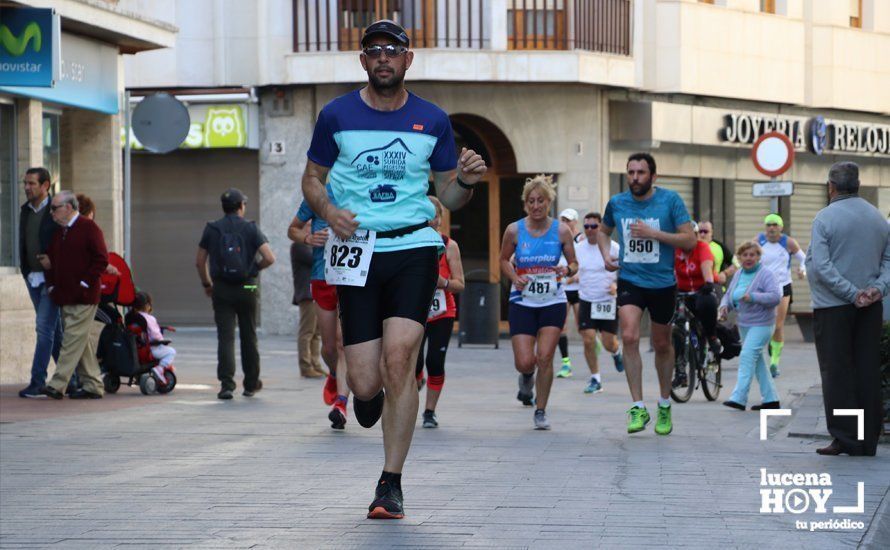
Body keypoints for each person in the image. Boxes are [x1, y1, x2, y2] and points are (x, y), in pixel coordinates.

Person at [300, 19, 485, 519]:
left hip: (414, 248)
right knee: (363, 381)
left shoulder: (433, 119)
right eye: (374, 50)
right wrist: (329, 211)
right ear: (363, 60)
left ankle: (390, 483)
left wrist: (465, 183)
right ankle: (367, 397)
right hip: (356, 250)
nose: (384, 58)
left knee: (401, 361)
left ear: (408, 60)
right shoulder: (336, 115)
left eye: (393, 50)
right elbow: (312, 178)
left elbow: (447, 194)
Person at [597, 152, 695, 436]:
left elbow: (689, 239)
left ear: (653, 176)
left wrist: (655, 234)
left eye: (640, 173)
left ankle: (664, 404)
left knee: (662, 344)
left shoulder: (670, 201)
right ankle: (638, 407)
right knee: (628, 336)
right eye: (631, 172)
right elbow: (604, 232)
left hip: (662, 282)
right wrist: (606, 254)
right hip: (630, 279)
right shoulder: (617, 203)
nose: (635, 178)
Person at [806, 161, 889, 457]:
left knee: (837, 372)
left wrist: (851, 293)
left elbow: (820, 266)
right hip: (871, 307)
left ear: (831, 186)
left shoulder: (824, 218)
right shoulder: (878, 217)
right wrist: (877, 289)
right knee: (866, 369)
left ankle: (845, 437)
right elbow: (888, 261)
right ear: (858, 185)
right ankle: (868, 439)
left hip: (834, 308)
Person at [500, 174, 577, 431]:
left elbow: (574, 264)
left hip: (552, 300)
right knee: (525, 361)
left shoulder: (562, 230)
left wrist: (566, 271)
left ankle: (541, 410)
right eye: (531, 201)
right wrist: (514, 276)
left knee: (545, 357)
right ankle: (525, 377)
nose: (536, 206)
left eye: (541, 201)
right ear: (525, 204)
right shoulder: (513, 230)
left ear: (549, 202)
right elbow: (502, 260)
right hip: (522, 300)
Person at [196, 188, 276, 400]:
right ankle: (250, 384)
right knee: (249, 335)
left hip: (221, 288)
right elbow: (269, 257)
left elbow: (199, 261)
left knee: (226, 337)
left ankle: (227, 385)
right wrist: (253, 270)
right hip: (248, 286)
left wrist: (207, 284)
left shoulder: (212, 229)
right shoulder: (250, 228)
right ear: (241, 206)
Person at [288, 184, 351, 430]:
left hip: (352, 277)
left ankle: (342, 404)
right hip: (322, 276)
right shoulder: (317, 196)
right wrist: (308, 238)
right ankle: (335, 375)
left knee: (342, 343)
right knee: (327, 349)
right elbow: (292, 229)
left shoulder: (361, 191)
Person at [40, 191, 109, 400]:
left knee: (71, 339)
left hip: (84, 296)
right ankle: (93, 385)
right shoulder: (60, 232)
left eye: (54, 208)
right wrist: (52, 286)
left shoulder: (89, 228)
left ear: (69, 208)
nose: (51, 213)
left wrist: (84, 283)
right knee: (80, 340)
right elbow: (50, 261)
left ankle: (57, 384)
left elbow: (101, 259)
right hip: (64, 295)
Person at [415, 197, 464, 428]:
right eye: (427, 215)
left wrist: (442, 282)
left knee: (435, 361)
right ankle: (417, 379)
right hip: (415, 311)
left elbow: (460, 284)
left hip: (442, 312)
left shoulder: (449, 246)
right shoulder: (410, 244)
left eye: (435, 215)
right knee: (413, 362)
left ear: (441, 219)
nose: (431, 220)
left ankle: (429, 412)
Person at [17, 167, 64, 398]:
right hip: (32, 278)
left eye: (32, 183)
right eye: (25, 183)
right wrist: (25, 270)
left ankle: (37, 382)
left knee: (44, 328)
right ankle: (72, 379)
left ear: (45, 186)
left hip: (51, 279)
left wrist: (53, 262)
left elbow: (68, 243)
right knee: (54, 330)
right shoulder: (25, 210)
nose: (27, 187)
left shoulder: (56, 211)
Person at [718, 242, 782, 411]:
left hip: (762, 324)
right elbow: (729, 294)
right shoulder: (738, 274)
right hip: (745, 325)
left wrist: (753, 297)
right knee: (759, 362)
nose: (748, 258)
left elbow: (776, 297)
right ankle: (771, 400)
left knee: (747, 355)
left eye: (752, 255)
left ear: (759, 257)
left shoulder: (766, 274)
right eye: (744, 255)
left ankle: (739, 398)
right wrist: (724, 307)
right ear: (739, 258)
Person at [575, 212, 623, 394]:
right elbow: (573, 267)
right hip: (586, 299)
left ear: (601, 227)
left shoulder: (614, 248)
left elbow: (626, 269)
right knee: (588, 339)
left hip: (607, 301)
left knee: (608, 342)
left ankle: (617, 353)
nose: (590, 230)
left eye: (594, 226)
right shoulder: (579, 248)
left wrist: (616, 285)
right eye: (586, 227)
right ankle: (595, 379)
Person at [754, 214, 806, 378]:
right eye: (768, 225)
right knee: (763, 324)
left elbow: (804, 259)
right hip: (763, 288)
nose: (771, 228)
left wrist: (802, 270)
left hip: (783, 286)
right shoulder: (758, 240)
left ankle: (775, 362)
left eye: (775, 225)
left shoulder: (788, 242)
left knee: (777, 325)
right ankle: (769, 346)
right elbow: (741, 255)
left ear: (781, 227)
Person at [673, 220, 721, 384]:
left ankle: (712, 336)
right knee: (675, 329)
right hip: (681, 293)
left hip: (701, 291)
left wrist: (708, 282)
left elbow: (706, 265)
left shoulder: (702, 248)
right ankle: (680, 372)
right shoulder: (675, 251)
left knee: (706, 303)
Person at [555, 208, 584, 379]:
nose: (565, 223)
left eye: (568, 220)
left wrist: (577, 275)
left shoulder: (581, 239)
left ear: (575, 222)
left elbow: (588, 263)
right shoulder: (556, 239)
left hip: (579, 290)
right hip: (563, 289)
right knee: (560, 327)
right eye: (563, 220)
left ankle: (593, 348)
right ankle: (566, 363)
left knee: (584, 328)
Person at [290, 240, 325, 378]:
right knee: (307, 331)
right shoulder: (299, 245)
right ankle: (305, 366)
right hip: (307, 294)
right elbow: (316, 259)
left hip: (315, 293)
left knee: (316, 332)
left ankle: (315, 364)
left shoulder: (310, 246)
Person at [131, 291, 176, 384]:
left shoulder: (131, 318)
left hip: (136, 349)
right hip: (151, 349)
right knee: (171, 352)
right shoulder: (149, 318)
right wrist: (162, 341)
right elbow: (155, 335)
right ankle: (160, 368)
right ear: (147, 305)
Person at [698, 221, 734, 286]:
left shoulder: (719, 246)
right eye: (700, 231)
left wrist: (725, 273)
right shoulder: (690, 247)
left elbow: (736, 263)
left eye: (706, 231)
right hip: (696, 287)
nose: (702, 234)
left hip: (716, 286)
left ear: (711, 232)